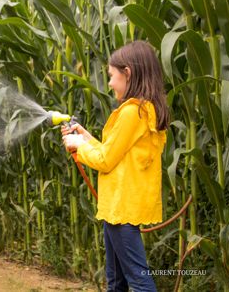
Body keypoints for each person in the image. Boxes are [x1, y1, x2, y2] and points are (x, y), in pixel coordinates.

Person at [62, 41, 168, 291]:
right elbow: (116, 155)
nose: (109, 84)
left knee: (139, 283)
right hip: (117, 209)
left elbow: (105, 161)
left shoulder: (133, 113)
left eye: (112, 76)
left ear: (128, 73)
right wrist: (85, 138)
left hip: (121, 210)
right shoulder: (146, 110)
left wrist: (78, 143)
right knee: (116, 282)